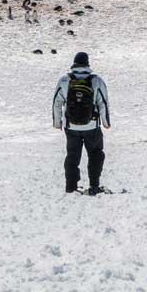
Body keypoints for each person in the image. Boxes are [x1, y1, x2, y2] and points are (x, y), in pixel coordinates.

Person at [52, 52, 111, 194]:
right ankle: (94, 185)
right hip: (92, 127)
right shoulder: (96, 81)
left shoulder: (65, 80)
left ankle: (71, 187)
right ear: (87, 64)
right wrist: (105, 122)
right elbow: (103, 103)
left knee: (72, 156)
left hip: (71, 127)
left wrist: (57, 122)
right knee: (96, 154)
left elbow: (57, 102)